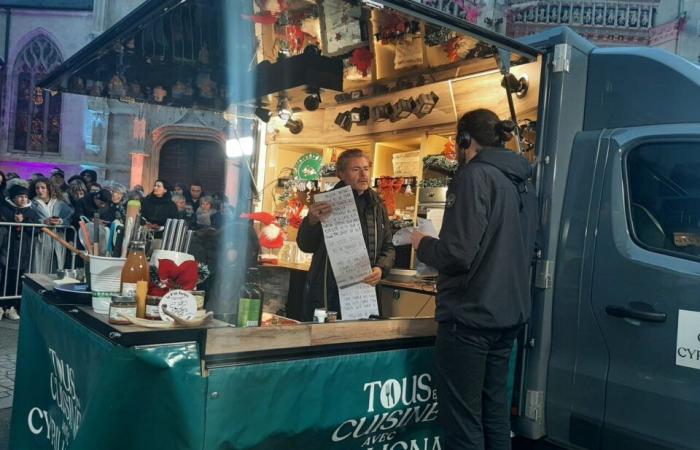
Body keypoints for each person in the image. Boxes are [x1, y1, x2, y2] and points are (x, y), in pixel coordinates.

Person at [411, 109, 538, 450]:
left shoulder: (473, 177)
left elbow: (456, 254)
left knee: (464, 425)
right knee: (494, 417)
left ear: (465, 139)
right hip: (508, 314)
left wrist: (423, 245)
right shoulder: (522, 182)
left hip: (470, 317)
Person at [297, 148, 395, 321]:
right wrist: (311, 220)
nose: (363, 175)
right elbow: (305, 245)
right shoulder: (326, 203)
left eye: (366, 168)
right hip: (328, 289)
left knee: (359, 341)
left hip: (365, 290)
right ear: (341, 173)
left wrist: (381, 268)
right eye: (355, 169)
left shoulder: (378, 205)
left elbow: (388, 246)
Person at [0, 180, 39, 307]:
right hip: (6, 249)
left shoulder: (31, 212)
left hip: (23, 250)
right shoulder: (5, 209)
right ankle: (2, 305)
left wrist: (25, 221)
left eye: (26, 197)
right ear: (13, 197)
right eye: (20, 197)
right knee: (4, 278)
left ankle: (12, 306)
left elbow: (36, 230)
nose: (23, 199)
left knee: (17, 279)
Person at [30, 177, 74, 273]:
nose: (40, 190)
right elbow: (29, 219)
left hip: (58, 239)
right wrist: (43, 222)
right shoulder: (32, 204)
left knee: (56, 266)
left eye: (43, 187)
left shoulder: (60, 203)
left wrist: (60, 221)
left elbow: (70, 218)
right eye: (37, 188)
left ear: (49, 189)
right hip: (41, 238)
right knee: (38, 267)